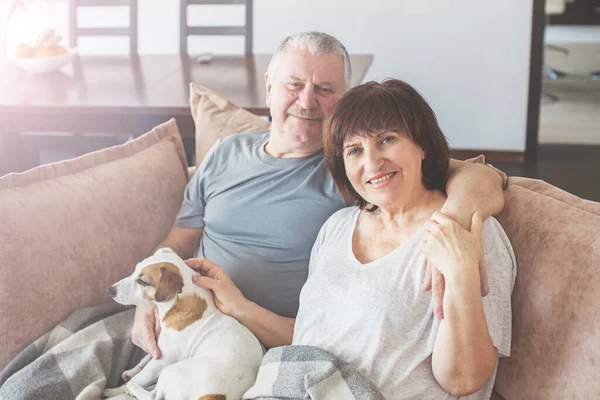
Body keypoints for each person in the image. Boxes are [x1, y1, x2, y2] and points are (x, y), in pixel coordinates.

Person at [134, 32, 506, 357]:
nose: (307, 101)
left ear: (344, 99)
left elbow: (479, 174)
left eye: (325, 90)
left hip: (264, 340)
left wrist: (454, 225)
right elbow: (176, 243)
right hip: (183, 320)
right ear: (270, 86)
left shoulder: (355, 170)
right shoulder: (225, 152)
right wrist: (143, 300)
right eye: (294, 85)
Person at [288, 79, 516, 399]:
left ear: (422, 145)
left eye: (387, 139)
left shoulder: (467, 231)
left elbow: (464, 380)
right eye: (355, 150)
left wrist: (462, 274)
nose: (372, 162)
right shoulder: (335, 227)